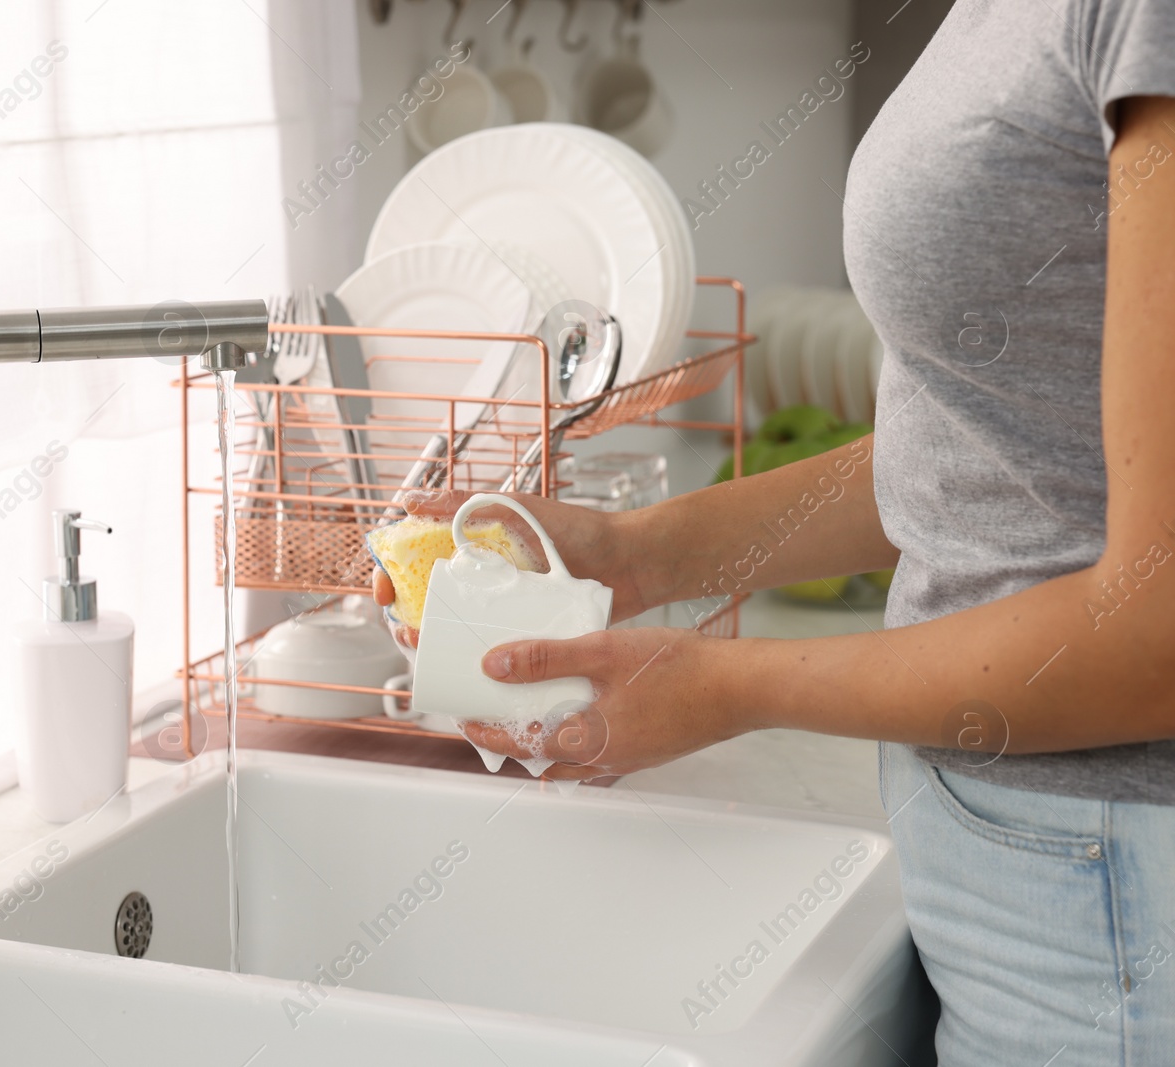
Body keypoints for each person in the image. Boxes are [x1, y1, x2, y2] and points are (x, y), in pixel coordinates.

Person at [373, 3, 1175, 1061]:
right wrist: (634, 553)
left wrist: (732, 684)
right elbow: (1001, 448)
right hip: (1031, 869)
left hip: (1111, 889)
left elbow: (1155, 630)